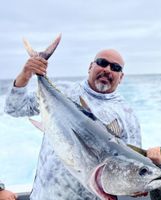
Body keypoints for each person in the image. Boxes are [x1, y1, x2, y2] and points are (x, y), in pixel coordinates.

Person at [4, 49, 142, 199]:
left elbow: (131, 163)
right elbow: (14, 108)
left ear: (121, 77)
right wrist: (26, 74)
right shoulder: (63, 91)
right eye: (102, 63)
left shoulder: (127, 115)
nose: (107, 70)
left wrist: (137, 184)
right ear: (90, 66)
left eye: (115, 68)